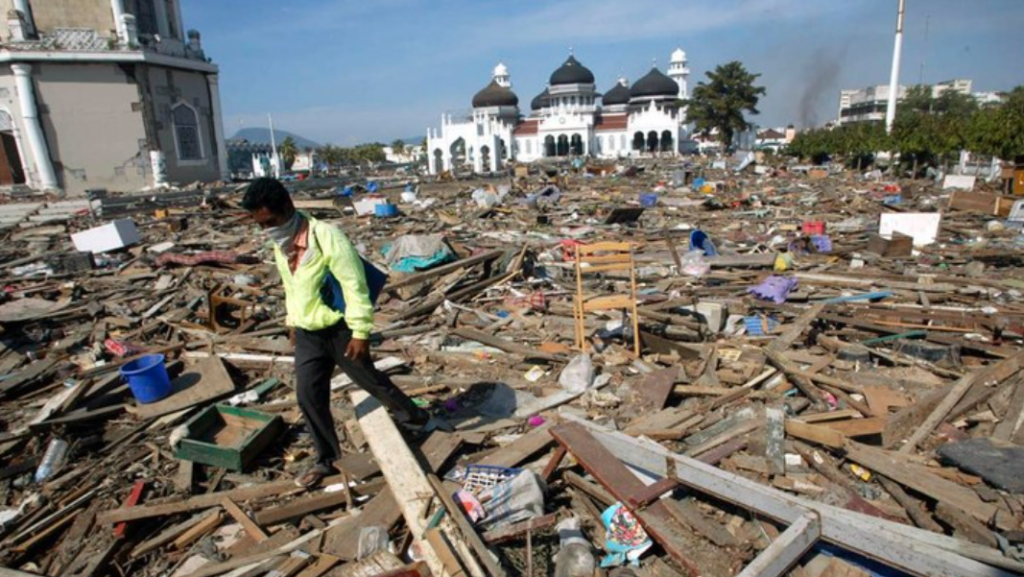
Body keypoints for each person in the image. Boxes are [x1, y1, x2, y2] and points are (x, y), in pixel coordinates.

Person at [242, 178, 430, 488]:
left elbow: (354, 286)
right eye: (261, 225)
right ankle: (326, 459)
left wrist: (360, 332)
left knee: (369, 380)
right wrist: (292, 321)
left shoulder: (328, 238)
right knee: (308, 396)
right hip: (307, 334)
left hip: (340, 329)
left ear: (288, 208)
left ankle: (415, 418)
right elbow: (291, 286)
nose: (267, 230)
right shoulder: (282, 244)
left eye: (271, 222)